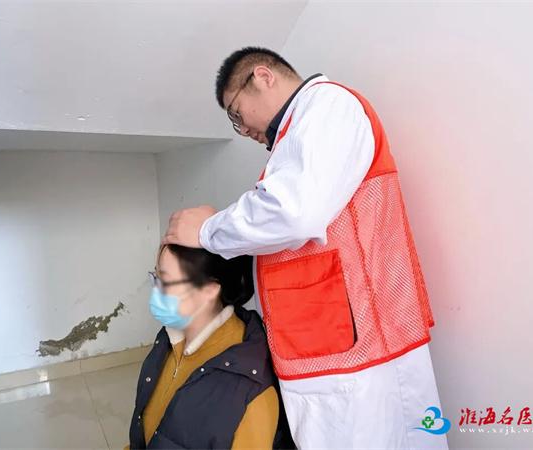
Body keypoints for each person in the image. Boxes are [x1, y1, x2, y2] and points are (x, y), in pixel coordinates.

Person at [164, 47, 448, 449]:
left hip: (361, 354)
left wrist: (208, 230)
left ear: (263, 77)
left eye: (237, 113)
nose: (242, 129)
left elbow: (296, 212)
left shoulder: (329, 105)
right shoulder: (297, 135)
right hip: (328, 346)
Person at [126, 243, 293, 449]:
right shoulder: (169, 339)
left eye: (165, 281)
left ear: (209, 290)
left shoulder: (250, 390)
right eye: (155, 277)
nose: (156, 291)